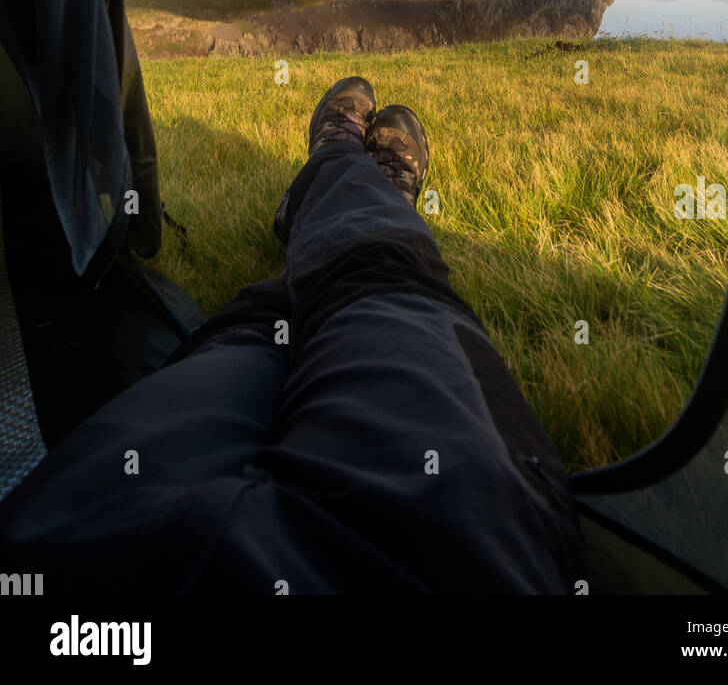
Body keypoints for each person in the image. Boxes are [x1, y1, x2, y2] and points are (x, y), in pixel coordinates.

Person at [0, 78, 584, 594]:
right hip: (453, 538)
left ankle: (334, 169)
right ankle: (362, 188)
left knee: (254, 334)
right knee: (377, 279)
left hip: (109, 540)